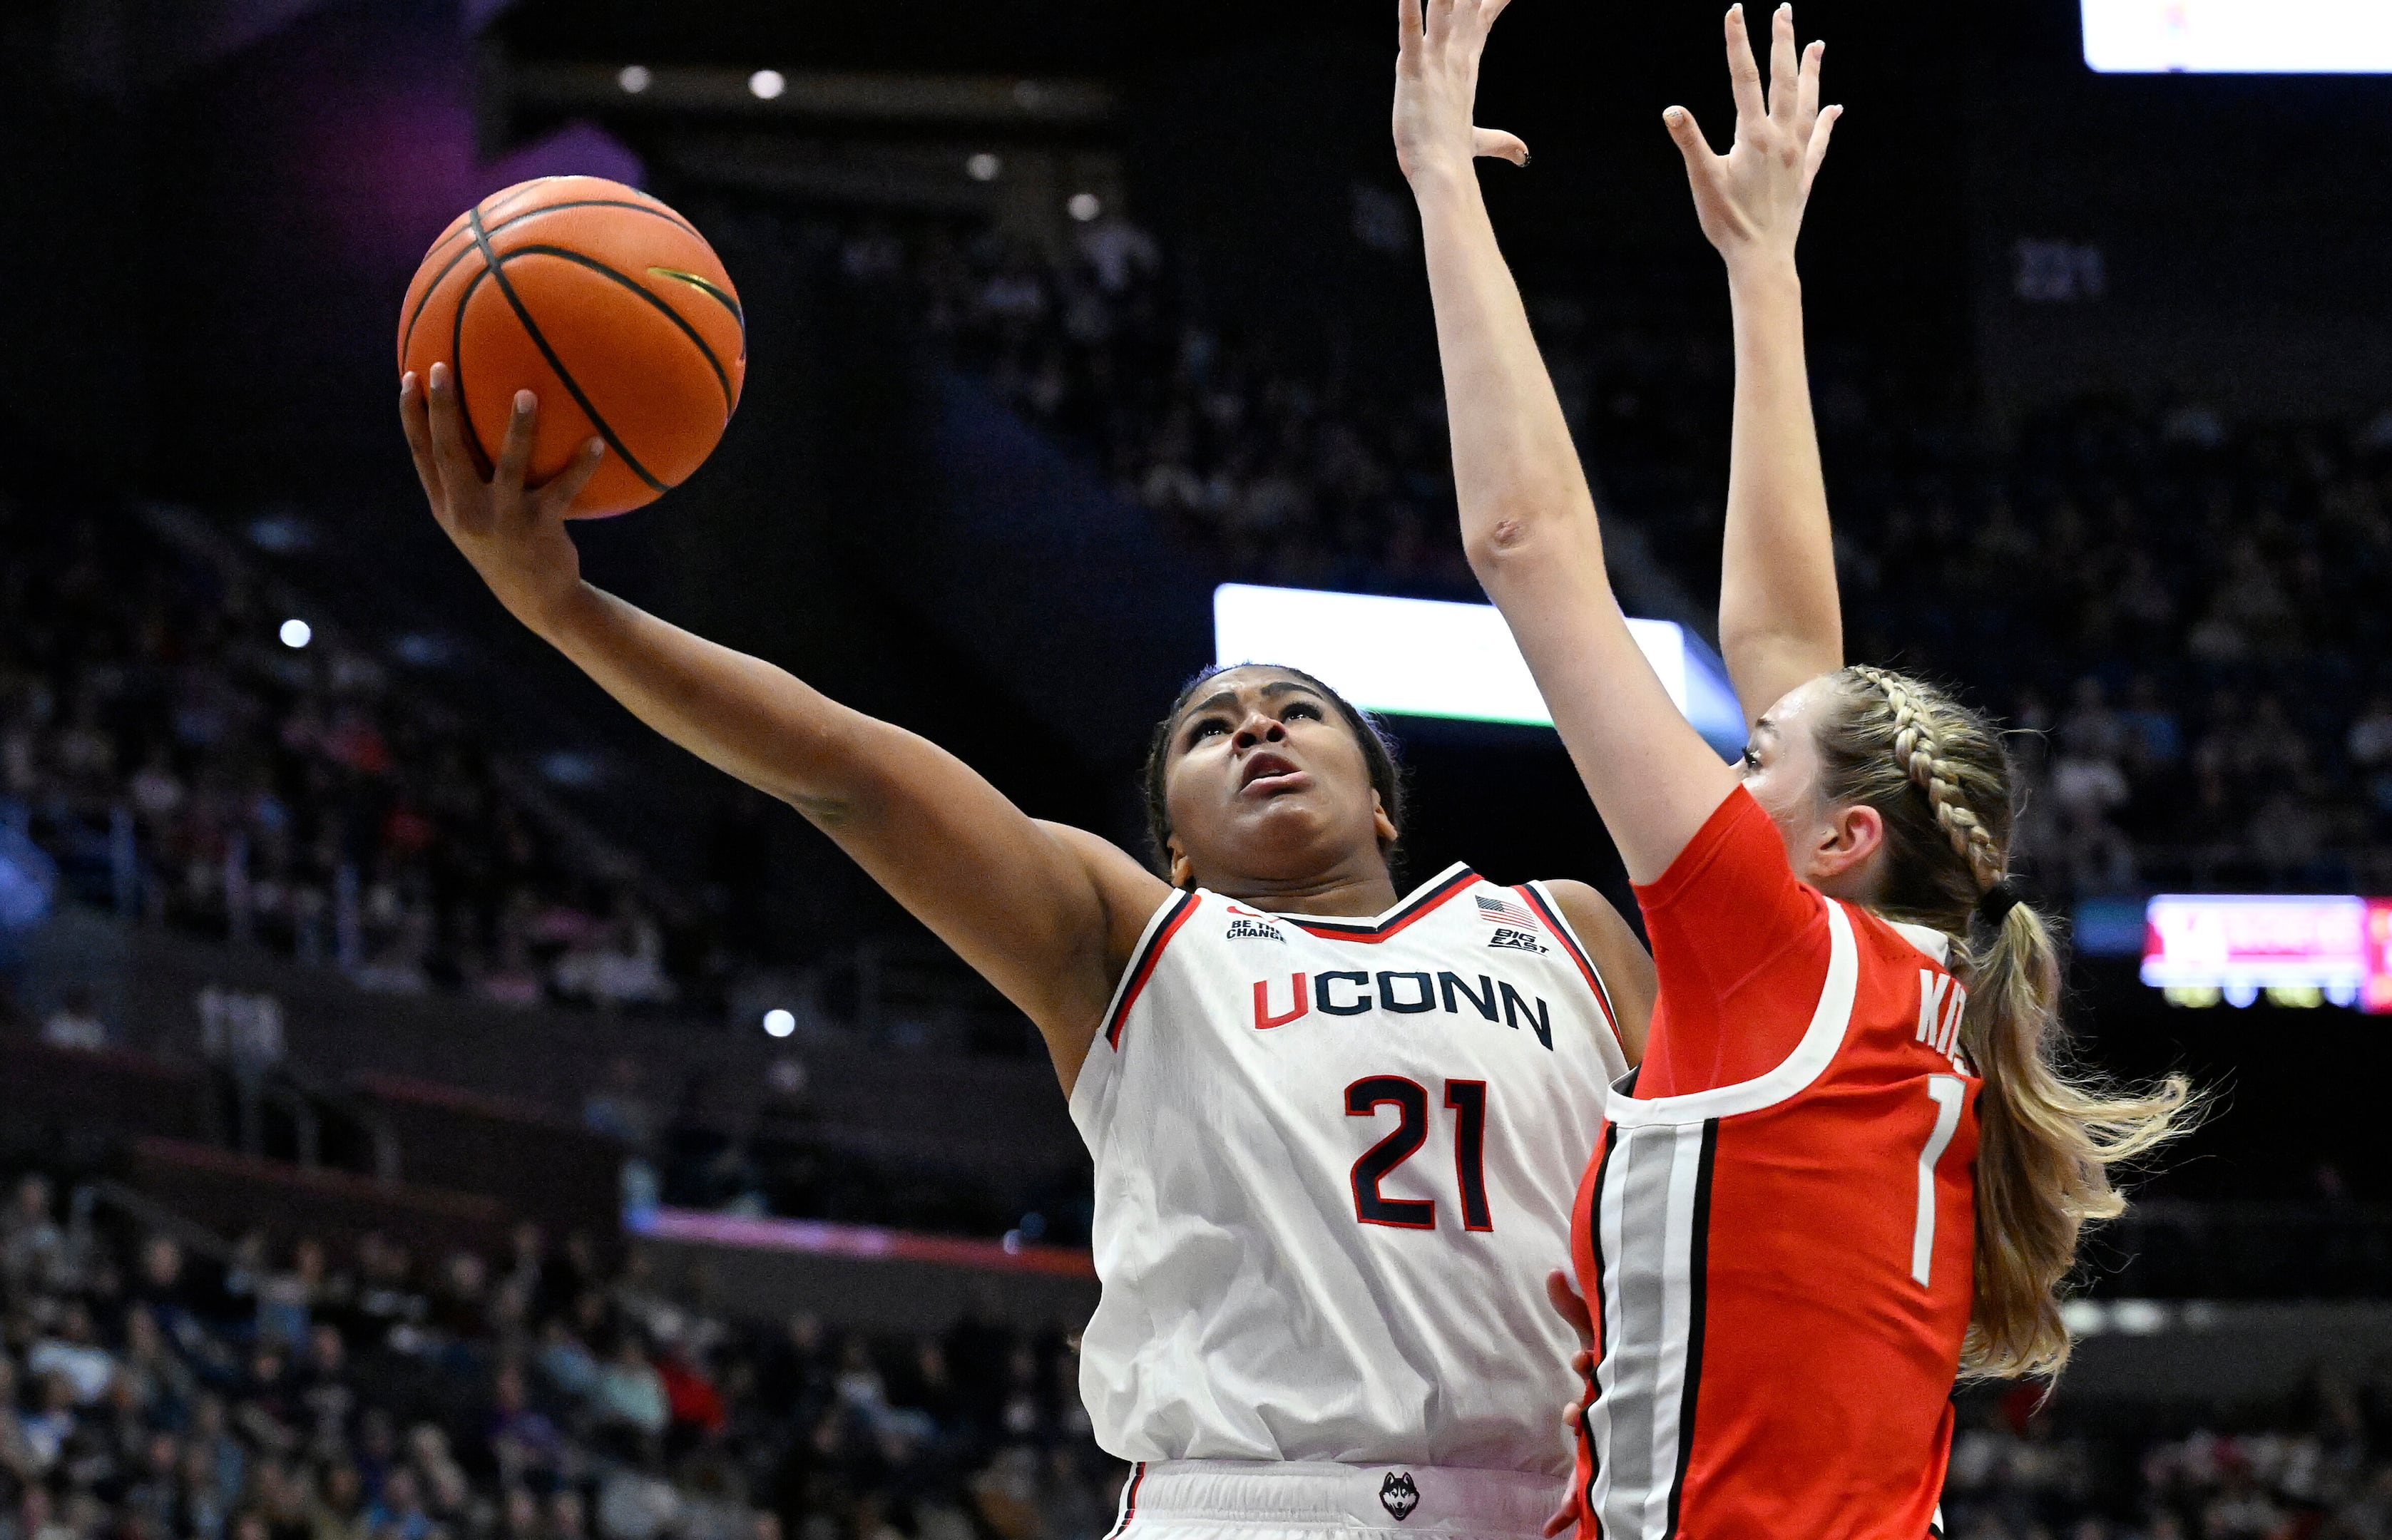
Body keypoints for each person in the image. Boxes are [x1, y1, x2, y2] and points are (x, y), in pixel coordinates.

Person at [391, 108, 1767, 1521]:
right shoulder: (1131, 939)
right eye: (1209, 729)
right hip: (1241, 1506)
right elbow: (848, 772)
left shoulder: (1567, 930)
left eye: (1295, 711)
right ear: (1172, 837)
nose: (1255, 729)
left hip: (1554, 1503)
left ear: (1383, 795)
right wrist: (567, 614)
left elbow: (1742, 1196)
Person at [1397, 1, 2196, 1534]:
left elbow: (1525, 544)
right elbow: (1789, 644)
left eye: (1750, 759)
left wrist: (1443, 178)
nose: (1722, 765)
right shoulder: (1928, 1004)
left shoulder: (1774, 944)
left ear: (1839, 839)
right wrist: (1764, 276)